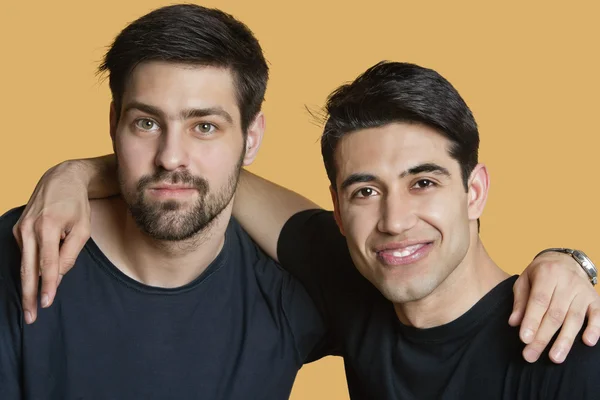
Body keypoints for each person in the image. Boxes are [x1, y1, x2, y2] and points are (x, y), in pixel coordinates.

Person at [9, 7, 600, 400]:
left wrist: (574, 263)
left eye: (424, 182)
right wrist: (73, 174)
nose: (394, 221)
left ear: (474, 192)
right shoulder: (351, 278)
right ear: (339, 214)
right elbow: (196, 178)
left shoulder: (568, 346)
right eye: (365, 191)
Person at [0, 4, 329, 399]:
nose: (170, 157)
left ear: (252, 137)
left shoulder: (290, 295)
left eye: (205, 127)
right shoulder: (25, 246)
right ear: (113, 125)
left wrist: (77, 172)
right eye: (147, 123)